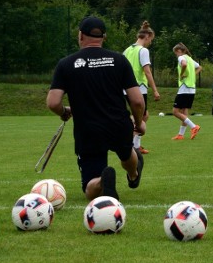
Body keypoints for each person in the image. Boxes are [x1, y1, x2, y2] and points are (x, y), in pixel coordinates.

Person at [47, 16, 145, 201]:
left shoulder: (66, 64)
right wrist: (138, 123)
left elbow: (53, 102)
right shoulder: (119, 60)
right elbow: (137, 101)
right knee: (127, 153)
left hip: (88, 129)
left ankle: (102, 181)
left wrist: (64, 112)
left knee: (89, 187)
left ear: (80, 36)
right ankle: (133, 175)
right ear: (104, 37)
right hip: (119, 124)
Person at [123, 21, 160, 154]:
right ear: (147, 36)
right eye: (151, 39)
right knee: (139, 117)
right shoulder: (143, 50)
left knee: (144, 116)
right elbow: (147, 71)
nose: (151, 42)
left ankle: (136, 145)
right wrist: (155, 90)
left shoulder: (127, 50)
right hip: (139, 88)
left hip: (126, 89)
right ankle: (130, 144)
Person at [172, 42, 202, 140]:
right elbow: (199, 67)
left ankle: (194, 126)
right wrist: (192, 74)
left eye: (175, 53)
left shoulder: (181, 58)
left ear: (178, 51)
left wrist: (181, 74)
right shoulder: (190, 59)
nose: (176, 55)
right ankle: (181, 135)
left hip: (184, 88)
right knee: (184, 111)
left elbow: (183, 65)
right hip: (192, 89)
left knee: (175, 112)